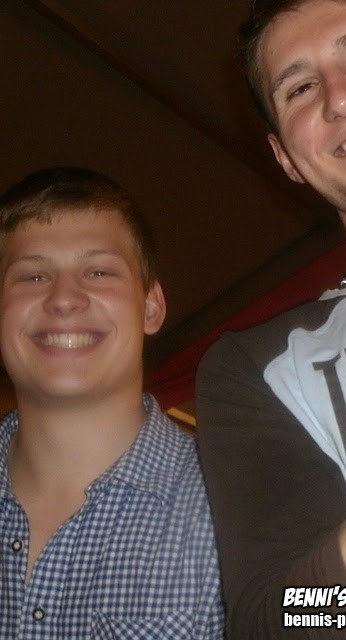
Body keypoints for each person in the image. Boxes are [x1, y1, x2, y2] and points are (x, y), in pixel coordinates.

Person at [196, 0, 346, 638]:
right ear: (285, 156)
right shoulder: (256, 367)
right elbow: (282, 618)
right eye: (301, 89)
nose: (340, 97)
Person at [0, 166, 224, 638]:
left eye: (98, 272)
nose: (64, 299)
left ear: (151, 307)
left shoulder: (238, 509)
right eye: (33, 276)